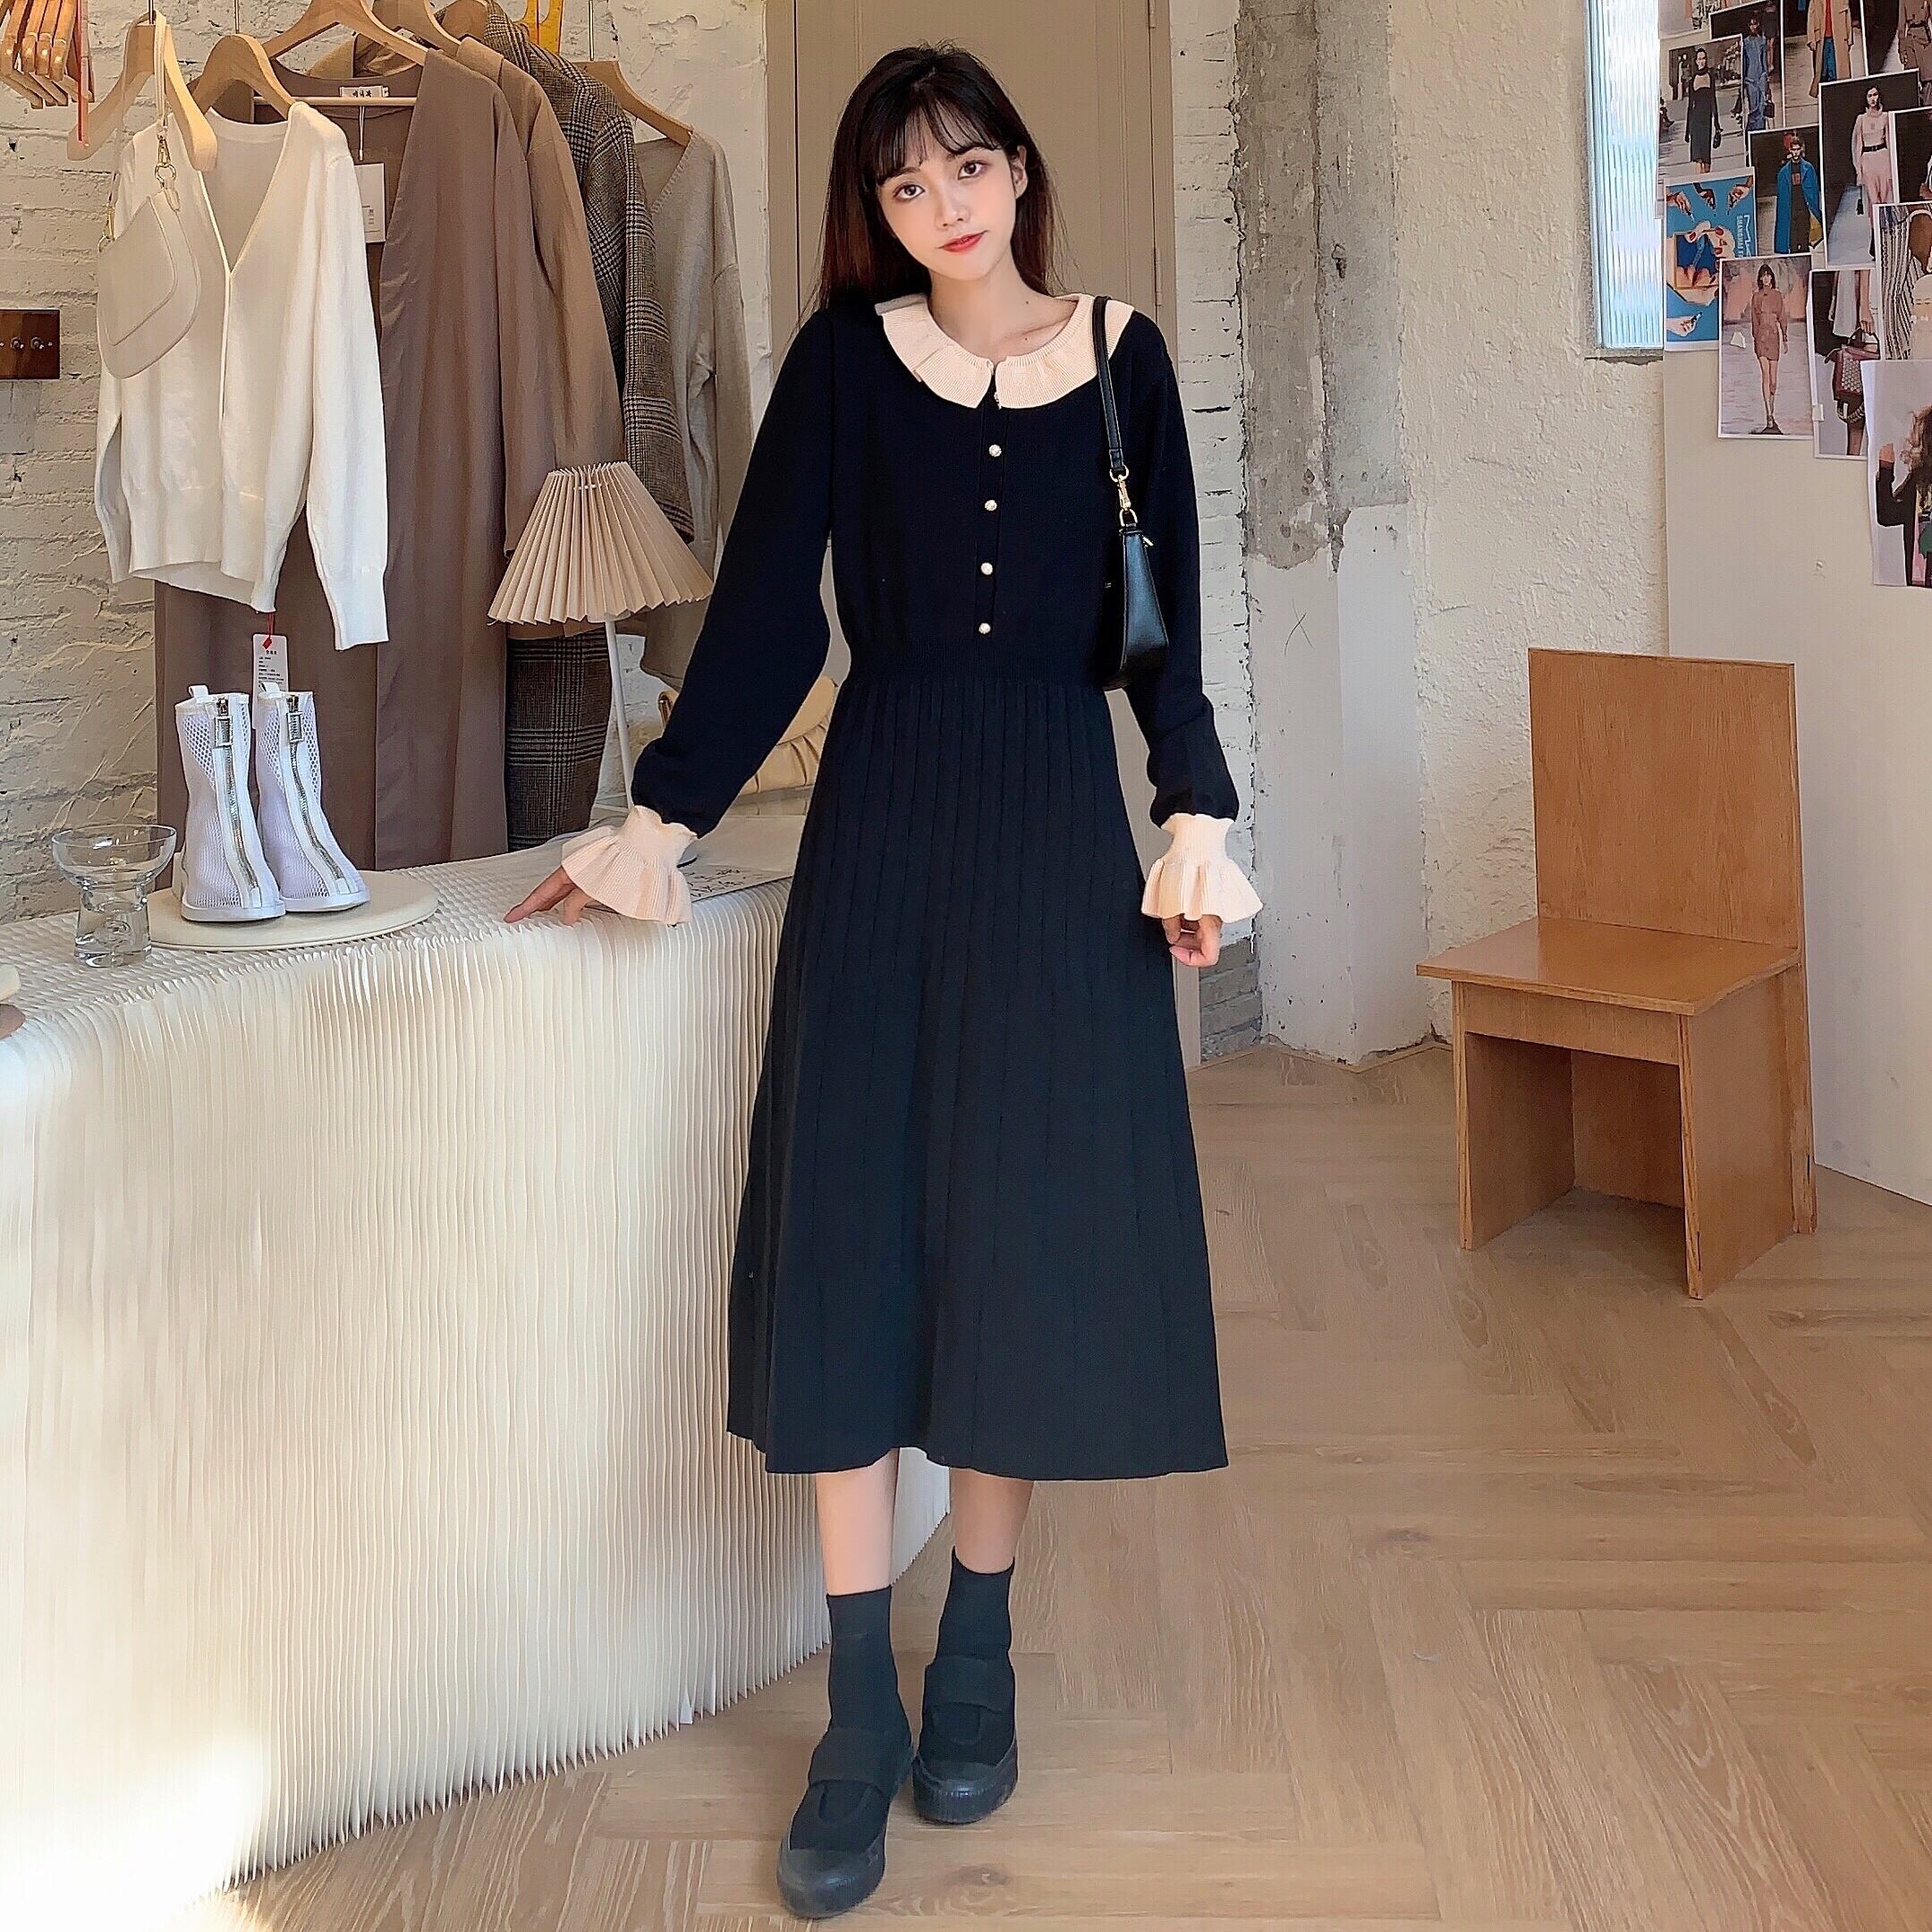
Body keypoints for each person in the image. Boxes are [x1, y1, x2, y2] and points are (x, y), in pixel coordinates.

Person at [504, 41, 1259, 1922]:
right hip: (884, 823)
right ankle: (858, 1700)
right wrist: (658, 824)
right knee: (848, 1240)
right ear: (876, 211)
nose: (945, 207)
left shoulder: (1124, 361)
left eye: (968, 166)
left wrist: (1194, 819)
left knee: (1018, 1239)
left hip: (1056, 837)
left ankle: (975, 1641)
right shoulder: (844, 368)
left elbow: (1162, 637)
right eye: (906, 185)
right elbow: (768, 617)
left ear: (1020, 169)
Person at [1875, 405, 1932, 582]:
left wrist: (1885, 469)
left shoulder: (1922, 481)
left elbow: (1887, 514)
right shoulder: (1921, 480)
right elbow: (1887, 515)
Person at [1748, 261, 1792, 434]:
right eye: (1763, 276)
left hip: (1774, 337)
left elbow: (1782, 318)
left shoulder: (1777, 296)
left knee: (1773, 380)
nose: (1766, 278)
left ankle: (1772, 413)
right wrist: (1755, 339)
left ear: (1772, 278)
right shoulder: (1756, 297)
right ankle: (1768, 414)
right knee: (1765, 374)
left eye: (1768, 275)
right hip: (1761, 338)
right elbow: (1754, 321)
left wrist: (1786, 338)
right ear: (1760, 279)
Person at [1776, 131, 1824, 252]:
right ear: (1790, 150)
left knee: (1804, 241)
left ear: (1801, 149)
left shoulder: (1808, 168)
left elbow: (1814, 190)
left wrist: (1814, 209)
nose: (1796, 152)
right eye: (1793, 150)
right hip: (1791, 210)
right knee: (1792, 243)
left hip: (1804, 209)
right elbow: (1781, 197)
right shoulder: (1783, 172)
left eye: (1798, 149)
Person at [1855, 82, 1896, 215]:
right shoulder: (1861, 119)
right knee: (1873, 199)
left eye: (1875, 95)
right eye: (1869, 96)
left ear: (1879, 96)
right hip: (1867, 159)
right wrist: (1858, 171)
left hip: (1883, 157)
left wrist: (1892, 164)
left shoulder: (1885, 116)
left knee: (1884, 197)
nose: (1873, 98)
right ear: (1865, 98)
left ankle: (1886, 224)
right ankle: (1875, 225)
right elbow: (1858, 145)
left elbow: (1889, 141)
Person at [1686, 45, 1721, 172]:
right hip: (1695, 121)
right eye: (1700, 59)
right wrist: (1687, 131)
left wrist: (1717, 124)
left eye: (1704, 58)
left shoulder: (1710, 77)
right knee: (1697, 158)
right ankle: (1699, 181)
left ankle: (1706, 179)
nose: (1702, 61)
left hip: (1707, 121)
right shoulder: (1692, 81)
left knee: (1706, 159)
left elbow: (1713, 100)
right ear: (1696, 61)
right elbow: (1690, 105)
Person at [1741, 11, 1775, 132]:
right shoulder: (1745, 43)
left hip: (1761, 77)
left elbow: (1764, 60)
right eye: (1751, 25)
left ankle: (1761, 132)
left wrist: (1766, 78)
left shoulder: (1762, 41)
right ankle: (1752, 133)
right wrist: (1743, 81)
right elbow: (1744, 62)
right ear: (1748, 26)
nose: (1753, 27)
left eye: (1755, 24)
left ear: (1758, 25)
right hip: (1750, 79)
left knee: (1762, 108)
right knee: (1753, 109)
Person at [1810, 0, 1852, 91]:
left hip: (1839, 38)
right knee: (1823, 71)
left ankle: (1837, 92)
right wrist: (1811, 39)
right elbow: (1811, 16)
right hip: (1821, 39)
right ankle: (1825, 93)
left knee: (1835, 71)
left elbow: (1847, 15)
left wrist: (1849, 38)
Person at [1904, 0, 1932, 106]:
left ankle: (1927, 107)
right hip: (1911, 40)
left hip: (1925, 39)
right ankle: (1915, 106)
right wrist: (1902, 49)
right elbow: (1901, 24)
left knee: (1928, 77)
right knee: (1911, 76)